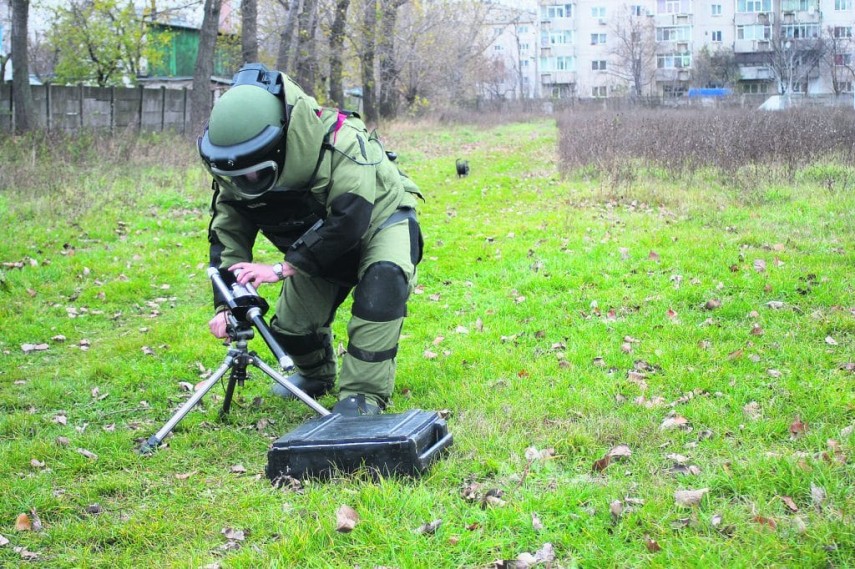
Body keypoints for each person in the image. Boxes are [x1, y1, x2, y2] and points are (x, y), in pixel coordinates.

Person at [197, 63, 423, 417]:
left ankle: (362, 396)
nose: (246, 180)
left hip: (379, 220)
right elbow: (228, 236)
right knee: (290, 329)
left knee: (383, 281)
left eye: (254, 172)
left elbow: (350, 219)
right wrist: (228, 304)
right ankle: (316, 375)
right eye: (237, 175)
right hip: (315, 242)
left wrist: (283, 266)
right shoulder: (233, 170)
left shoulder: (342, 141)